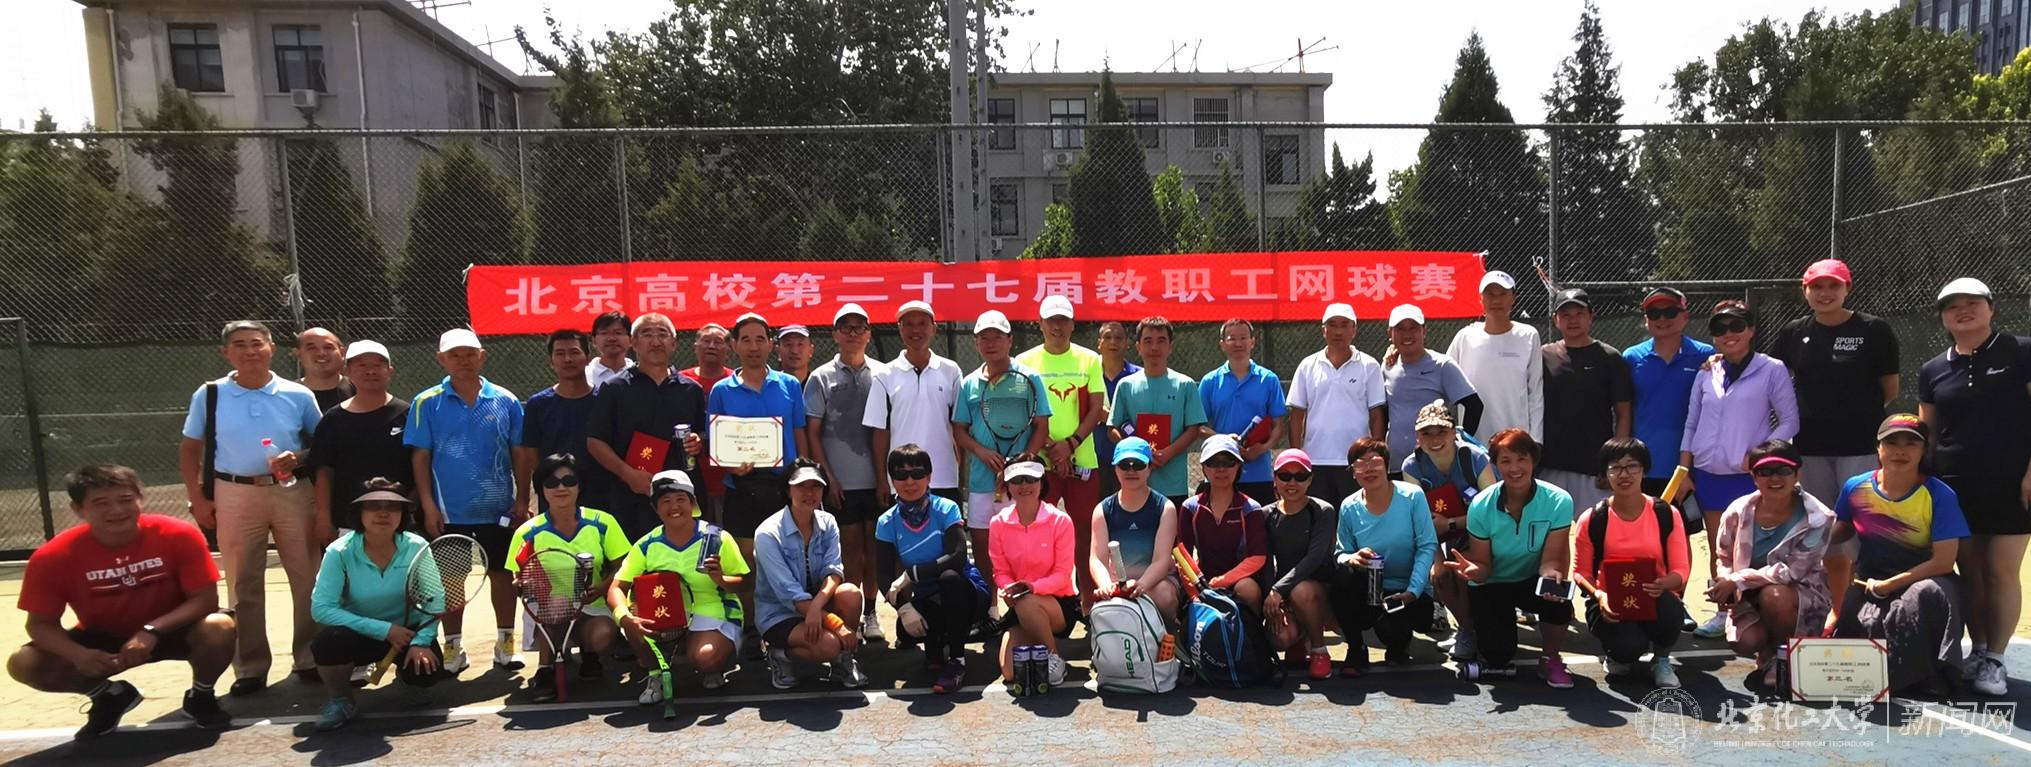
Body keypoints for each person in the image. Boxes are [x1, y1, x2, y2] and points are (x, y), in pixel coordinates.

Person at [11, 465, 236, 738]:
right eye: (101, 503)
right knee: (24, 662)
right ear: (78, 509)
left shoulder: (178, 534)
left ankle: (201, 696)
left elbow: (205, 600)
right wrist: (78, 655)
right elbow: (40, 624)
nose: (117, 510)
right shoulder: (52, 557)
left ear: (140, 499)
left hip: (174, 630)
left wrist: (151, 631)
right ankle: (109, 697)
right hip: (103, 640)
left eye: (125, 499)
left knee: (219, 626)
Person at [177, 320, 321, 693]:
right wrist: (198, 498)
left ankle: (310, 658)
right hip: (234, 493)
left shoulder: (298, 394)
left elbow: (322, 445)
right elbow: (190, 448)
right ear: (226, 353)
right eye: (239, 344)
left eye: (257, 343)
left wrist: (298, 457)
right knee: (243, 582)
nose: (249, 351)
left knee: (308, 575)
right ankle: (250, 668)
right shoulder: (209, 394)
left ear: (272, 348)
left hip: (293, 491)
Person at [1765, 260, 1898, 618]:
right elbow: (1769, 375)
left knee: (1865, 530)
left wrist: (1852, 419)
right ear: (1805, 291)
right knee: (1825, 532)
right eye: (1817, 287)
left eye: (1833, 286)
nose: (1825, 294)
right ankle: (1835, 611)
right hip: (1810, 450)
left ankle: (1868, 612)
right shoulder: (1794, 332)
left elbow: (1889, 389)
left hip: (1860, 449)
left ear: (1847, 289)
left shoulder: (1874, 329)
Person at [1918, 277, 2030, 696]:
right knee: (1971, 573)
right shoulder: (1932, 369)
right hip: (1953, 486)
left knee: (2000, 571)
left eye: (1972, 303)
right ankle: (1978, 651)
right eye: (1952, 306)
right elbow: (1928, 432)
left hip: (2012, 483)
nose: (1962, 311)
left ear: (1991, 308)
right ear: (1943, 318)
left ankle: (1996, 659)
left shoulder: (2021, 351)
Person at [405, 328, 530, 674]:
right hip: (449, 514)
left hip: (499, 511)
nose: (463, 361)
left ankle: (506, 644)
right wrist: (428, 505)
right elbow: (420, 457)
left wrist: (522, 499)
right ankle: (453, 648)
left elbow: (520, 453)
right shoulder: (426, 402)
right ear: (441, 359)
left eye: (470, 353)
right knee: (450, 582)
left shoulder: (505, 400)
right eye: (454, 355)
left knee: (503, 577)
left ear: (482, 356)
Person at [1679, 301, 1798, 638]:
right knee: (1720, 547)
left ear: (1751, 331)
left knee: (1754, 546)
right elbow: (1691, 422)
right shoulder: (1707, 371)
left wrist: (1760, 455)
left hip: (1748, 476)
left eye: (1736, 326)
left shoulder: (1772, 369)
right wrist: (1685, 469)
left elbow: (1790, 421)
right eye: (1720, 328)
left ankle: (1762, 610)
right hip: (1708, 474)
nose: (1728, 334)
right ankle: (1723, 613)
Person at [1831, 414, 1971, 696]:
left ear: (1923, 450)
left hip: (1927, 580)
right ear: (1878, 448)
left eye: (1911, 443)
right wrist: (1803, 537)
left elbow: (1944, 561)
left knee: (1922, 596)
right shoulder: (1854, 487)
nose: (1901, 450)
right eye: (1892, 442)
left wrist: (1890, 585)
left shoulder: (1940, 495)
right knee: (1858, 621)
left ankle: (1930, 674)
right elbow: (1840, 530)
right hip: (1870, 580)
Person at [1442, 429, 1575, 687]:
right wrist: (1474, 571)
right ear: (1495, 464)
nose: (1514, 468)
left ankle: (1550, 659)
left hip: (1531, 579)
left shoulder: (1559, 500)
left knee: (1558, 597)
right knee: (1497, 654)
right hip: (1493, 583)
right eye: (1505, 461)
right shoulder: (1481, 505)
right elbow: (1483, 566)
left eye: (1521, 459)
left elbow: (1551, 559)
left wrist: (1551, 577)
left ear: (1533, 460)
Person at [306, 478, 443, 731]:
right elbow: (321, 608)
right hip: (359, 633)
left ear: (403, 514)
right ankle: (341, 700)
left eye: (392, 507)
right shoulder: (339, 551)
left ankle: (408, 679)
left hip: (408, 632)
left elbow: (435, 598)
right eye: (373, 506)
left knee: (427, 673)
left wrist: (421, 642)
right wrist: (384, 630)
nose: (383, 513)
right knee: (328, 643)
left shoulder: (417, 546)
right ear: (359, 512)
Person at [610, 471, 750, 701]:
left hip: (714, 611)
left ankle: (714, 662)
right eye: (666, 501)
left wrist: (721, 580)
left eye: (680, 499)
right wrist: (624, 617)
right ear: (655, 508)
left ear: (692, 503)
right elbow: (617, 587)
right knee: (632, 622)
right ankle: (655, 674)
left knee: (705, 658)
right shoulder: (646, 545)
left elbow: (745, 583)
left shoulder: (716, 538)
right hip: (665, 616)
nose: (674, 506)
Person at [503, 454, 631, 700]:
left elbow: (623, 566)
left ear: (579, 486)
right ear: (541, 489)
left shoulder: (602, 523)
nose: (561, 488)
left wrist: (603, 587)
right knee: (556, 604)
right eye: (552, 483)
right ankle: (545, 669)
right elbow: (518, 577)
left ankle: (589, 654)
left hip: (593, 606)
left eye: (569, 481)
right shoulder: (527, 532)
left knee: (603, 636)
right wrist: (525, 585)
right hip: (549, 608)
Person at [1711, 440, 1835, 691]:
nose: (1774, 478)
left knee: (1774, 596)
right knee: (1745, 642)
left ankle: (1784, 657)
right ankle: (1767, 653)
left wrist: (1736, 580)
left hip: (1800, 595)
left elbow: (1791, 572)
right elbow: (1723, 556)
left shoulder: (1819, 518)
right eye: (1765, 471)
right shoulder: (1737, 510)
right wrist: (1724, 581)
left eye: (1783, 470)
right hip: (1748, 594)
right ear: (1753, 476)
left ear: (1797, 474)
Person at [1571, 438, 1692, 689]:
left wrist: (1664, 583)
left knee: (1671, 608)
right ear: (1605, 473)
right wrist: (1599, 595)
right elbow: (1580, 573)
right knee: (1628, 649)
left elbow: (1681, 569)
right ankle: (1617, 654)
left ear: (1644, 470)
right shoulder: (1593, 518)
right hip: (1610, 602)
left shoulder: (1665, 514)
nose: (1624, 474)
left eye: (1632, 466)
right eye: (1615, 467)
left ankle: (1662, 660)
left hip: (1656, 597)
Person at [1017, 295, 1109, 610]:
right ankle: (1043, 600)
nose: (1057, 326)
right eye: (1051, 320)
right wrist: (1051, 449)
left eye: (1063, 320)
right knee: (1038, 530)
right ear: (1040, 324)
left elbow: (1096, 409)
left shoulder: (1089, 359)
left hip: (1082, 461)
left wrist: (1069, 445)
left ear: (1072, 324)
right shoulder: (1025, 361)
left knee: (1084, 533)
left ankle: (1088, 601)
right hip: (1040, 464)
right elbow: (1025, 410)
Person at [875, 444, 990, 694]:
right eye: (901, 475)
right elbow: (883, 575)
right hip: (928, 596)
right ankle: (938, 641)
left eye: (917, 474)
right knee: (906, 630)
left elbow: (957, 557)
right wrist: (903, 608)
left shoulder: (946, 508)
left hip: (967, 592)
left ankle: (957, 660)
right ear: (892, 480)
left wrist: (911, 574)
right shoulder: (886, 522)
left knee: (949, 579)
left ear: (929, 477)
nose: (910, 481)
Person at [805, 304, 888, 644]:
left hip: (878, 482)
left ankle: (871, 613)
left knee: (875, 549)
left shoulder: (883, 373)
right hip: (840, 484)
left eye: (859, 327)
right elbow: (813, 433)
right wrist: (829, 479)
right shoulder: (820, 377)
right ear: (835, 334)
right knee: (850, 550)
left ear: (868, 334)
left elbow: (886, 428)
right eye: (846, 327)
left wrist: (884, 478)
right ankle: (850, 617)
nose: (853, 333)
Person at [586, 313, 709, 541]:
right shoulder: (615, 388)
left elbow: (705, 433)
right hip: (632, 495)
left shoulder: (691, 389)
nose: (655, 341)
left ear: (674, 343)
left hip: (682, 495)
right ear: (633, 343)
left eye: (662, 334)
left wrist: (699, 441)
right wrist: (628, 474)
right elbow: (595, 441)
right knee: (636, 557)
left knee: (687, 554)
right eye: (647, 334)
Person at [952, 309, 1051, 583]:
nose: (991, 343)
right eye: (984, 338)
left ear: (1010, 341)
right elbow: (959, 430)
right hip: (982, 481)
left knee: (1021, 545)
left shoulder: (1030, 378)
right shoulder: (969, 384)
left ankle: (1023, 600)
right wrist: (982, 452)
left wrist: (1023, 462)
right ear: (976, 343)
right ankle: (989, 603)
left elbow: (1042, 427)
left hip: (1020, 482)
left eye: (997, 337)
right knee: (982, 546)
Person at [754, 459, 868, 689]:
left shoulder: (829, 522)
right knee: (829, 646)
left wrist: (817, 606)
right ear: (788, 491)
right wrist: (836, 624)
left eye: (816, 486)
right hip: (780, 614)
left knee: (851, 593)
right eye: (801, 486)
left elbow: (834, 571)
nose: (809, 493)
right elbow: (788, 592)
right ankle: (779, 654)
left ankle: (843, 662)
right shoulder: (767, 533)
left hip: (817, 606)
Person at [1331, 440, 1439, 675]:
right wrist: (1352, 558)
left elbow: (1427, 546)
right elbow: (1340, 553)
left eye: (1375, 462)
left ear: (1387, 466)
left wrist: (1413, 591)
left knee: (1393, 630)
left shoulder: (1412, 496)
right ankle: (1356, 648)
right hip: (1370, 590)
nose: (1368, 469)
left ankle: (1398, 646)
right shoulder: (1349, 506)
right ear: (1352, 472)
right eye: (1360, 464)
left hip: (1409, 591)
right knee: (1340, 575)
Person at [1400, 401, 1496, 660]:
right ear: (1417, 437)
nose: (1435, 439)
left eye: (1441, 431)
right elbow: (1420, 521)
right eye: (1426, 433)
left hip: (1482, 533)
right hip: (1440, 535)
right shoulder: (1412, 467)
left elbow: (1492, 512)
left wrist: (1451, 523)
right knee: (1440, 575)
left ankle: (1475, 630)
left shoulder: (1476, 458)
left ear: (1454, 432)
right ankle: (1466, 630)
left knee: (1463, 572)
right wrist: (1437, 561)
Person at [987, 457, 1079, 691]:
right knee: (1010, 672)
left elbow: (1063, 574)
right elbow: (1000, 571)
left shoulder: (1061, 521)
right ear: (1008, 485)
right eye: (1017, 480)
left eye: (1031, 479)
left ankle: (1053, 656)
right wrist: (1010, 588)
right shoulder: (998, 523)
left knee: (1027, 601)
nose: (1024, 485)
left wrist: (1031, 588)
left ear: (1041, 482)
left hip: (1058, 605)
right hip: (1019, 603)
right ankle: (1031, 636)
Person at [1538, 289, 1633, 511]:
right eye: (1565, 315)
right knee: (1550, 529)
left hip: (1594, 467)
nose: (1573, 320)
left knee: (1594, 528)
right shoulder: (1543, 356)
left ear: (1591, 316)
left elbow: (1624, 413)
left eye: (1579, 313)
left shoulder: (1610, 358)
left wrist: (1614, 461)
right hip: (1549, 466)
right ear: (1555, 319)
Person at [310, 340, 412, 547]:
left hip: (400, 521)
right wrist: (323, 518)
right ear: (347, 371)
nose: (370, 371)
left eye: (378, 365)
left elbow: (420, 465)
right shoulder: (333, 419)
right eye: (362, 365)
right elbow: (323, 472)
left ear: (390, 371)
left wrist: (413, 506)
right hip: (347, 521)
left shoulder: (409, 413)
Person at [866, 301, 966, 508]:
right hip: (902, 480)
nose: (916, 330)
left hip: (944, 478)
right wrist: (882, 479)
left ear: (934, 328)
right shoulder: (884, 375)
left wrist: (961, 472)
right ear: (900, 329)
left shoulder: (951, 371)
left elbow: (959, 426)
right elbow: (880, 432)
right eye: (909, 324)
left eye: (922, 323)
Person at [1288, 303, 1387, 510]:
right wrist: (1297, 457)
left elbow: (1377, 415)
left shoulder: (1369, 366)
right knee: (1320, 520)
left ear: (1354, 330)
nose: (1338, 331)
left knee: (1356, 519)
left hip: (1356, 462)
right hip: (1315, 461)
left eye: (1344, 325)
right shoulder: (1307, 365)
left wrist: (1372, 457)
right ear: (1323, 330)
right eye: (1332, 325)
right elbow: (1297, 415)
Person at [1624, 287, 1715, 506]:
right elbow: (1623, 410)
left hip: (1693, 465)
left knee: (1685, 526)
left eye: (1670, 312)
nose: (1662, 319)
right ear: (1646, 320)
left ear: (1685, 316)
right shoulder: (1631, 357)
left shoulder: (1706, 355)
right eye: (1654, 314)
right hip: (1644, 465)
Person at [1260, 448, 1345, 679]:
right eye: (1284, 476)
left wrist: (1278, 590)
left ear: (1310, 479)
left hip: (1320, 592)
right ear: (1275, 479)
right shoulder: (1265, 514)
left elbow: (1314, 558)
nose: (1292, 483)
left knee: (1302, 590)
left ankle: (1319, 650)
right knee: (1281, 638)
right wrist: (1272, 596)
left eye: (1300, 476)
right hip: (1285, 593)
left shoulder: (1322, 511)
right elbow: (1265, 560)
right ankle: (1299, 638)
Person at [1110, 316, 1211, 507]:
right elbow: (1112, 428)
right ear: (1138, 347)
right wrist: (1138, 453)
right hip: (1134, 482)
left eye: (1161, 341)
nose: (1154, 347)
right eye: (1148, 341)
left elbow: (1193, 429)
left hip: (1174, 484)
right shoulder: (1125, 385)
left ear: (1170, 347)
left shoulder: (1186, 384)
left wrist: (1169, 453)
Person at [1086, 437, 1183, 627]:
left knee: (1164, 595)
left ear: (1149, 468)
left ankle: (1167, 638)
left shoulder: (1165, 508)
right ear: (1115, 469)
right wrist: (1106, 585)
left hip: (1155, 583)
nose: (1131, 471)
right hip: (1117, 584)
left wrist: (1141, 585)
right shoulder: (1102, 510)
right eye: (1124, 465)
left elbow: (1162, 560)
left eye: (1138, 465)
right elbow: (1097, 559)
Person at [1444, 272, 1542, 443]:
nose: (1496, 300)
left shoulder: (1529, 335)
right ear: (1481, 299)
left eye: (1503, 294)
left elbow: (1536, 392)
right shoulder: (1465, 337)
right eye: (1490, 294)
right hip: (1473, 443)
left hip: (1517, 443)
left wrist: (1536, 440)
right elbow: (1442, 378)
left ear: (1513, 298)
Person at [1200, 318, 1290, 505]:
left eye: (1243, 338)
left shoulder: (1269, 379)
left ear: (1252, 342)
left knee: (1259, 521)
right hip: (1220, 472)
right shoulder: (1209, 381)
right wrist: (1224, 442)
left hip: (1259, 474)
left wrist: (1262, 449)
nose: (1238, 343)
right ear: (1222, 344)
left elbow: (1278, 426)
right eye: (1232, 338)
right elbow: (1198, 426)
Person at [1382, 304, 1481, 465]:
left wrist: (1456, 442)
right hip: (1396, 463)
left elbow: (1474, 406)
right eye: (1400, 329)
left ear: (1424, 331)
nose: (1407, 334)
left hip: (1435, 464)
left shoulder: (1443, 365)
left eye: (1413, 328)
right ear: (1390, 333)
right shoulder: (1387, 365)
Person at [1177, 435, 1268, 611]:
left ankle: (1251, 628)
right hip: (1201, 582)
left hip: (1239, 582)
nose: (1221, 469)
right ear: (1203, 468)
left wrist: (1222, 581)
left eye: (1228, 462)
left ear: (1238, 466)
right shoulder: (1190, 507)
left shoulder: (1250, 508)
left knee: (1248, 589)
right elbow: (1182, 555)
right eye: (1213, 463)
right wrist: (1196, 592)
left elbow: (1257, 557)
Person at [522, 329, 599, 515]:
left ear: (588, 358)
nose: (567, 359)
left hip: (599, 495)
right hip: (556, 497)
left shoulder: (604, 401)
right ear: (551, 361)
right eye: (560, 353)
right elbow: (531, 453)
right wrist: (553, 483)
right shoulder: (538, 404)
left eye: (574, 352)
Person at [681, 323, 735, 525]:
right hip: (690, 478)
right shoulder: (679, 381)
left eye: (718, 342)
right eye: (706, 341)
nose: (711, 346)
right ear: (695, 346)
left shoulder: (737, 382)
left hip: (729, 477)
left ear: (729, 350)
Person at [1094, 320, 1143, 501]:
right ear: (1099, 343)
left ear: (1127, 343)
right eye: (1107, 337)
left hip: (1130, 462)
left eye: (1118, 338)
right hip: (1093, 461)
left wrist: (1110, 418)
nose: (1113, 342)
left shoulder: (1140, 376)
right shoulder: (1087, 375)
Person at [296, 327, 355, 414]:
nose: (321, 353)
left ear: (342, 353)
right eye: (312, 348)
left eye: (328, 347)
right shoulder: (288, 394)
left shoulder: (361, 391)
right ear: (298, 354)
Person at [586, 310, 634, 389]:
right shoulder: (584, 375)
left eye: (618, 333)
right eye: (604, 333)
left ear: (631, 339)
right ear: (594, 340)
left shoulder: (640, 374)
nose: (611, 338)